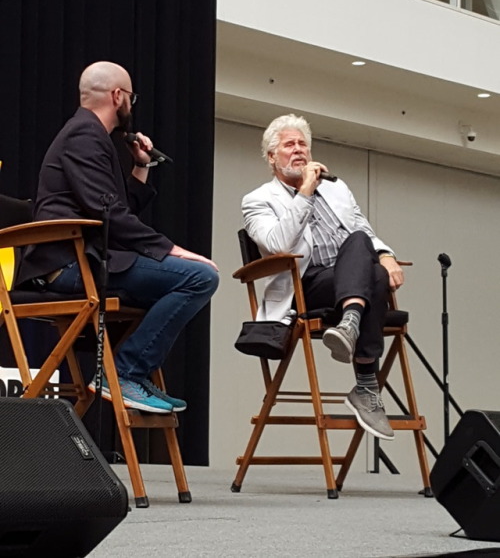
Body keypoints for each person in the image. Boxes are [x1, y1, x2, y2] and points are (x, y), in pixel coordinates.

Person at [17, 61, 219, 413]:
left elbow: (114, 211)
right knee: (199, 277)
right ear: (117, 96)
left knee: (189, 279)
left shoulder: (92, 136)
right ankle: (123, 371)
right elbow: (108, 213)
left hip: (90, 258)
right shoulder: (84, 135)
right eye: (131, 97)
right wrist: (172, 250)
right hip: (70, 263)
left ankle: (127, 372)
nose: (131, 105)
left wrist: (140, 166)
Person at [242, 113, 404, 440]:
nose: (300, 150)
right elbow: (278, 244)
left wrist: (387, 255)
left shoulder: (337, 189)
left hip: (349, 280)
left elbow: (362, 229)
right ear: (272, 157)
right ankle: (367, 384)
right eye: (290, 145)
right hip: (304, 286)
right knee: (370, 273)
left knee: (365, 253)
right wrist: (303, 193)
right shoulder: (257, 200)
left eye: (304, 144)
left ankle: (350, 323)